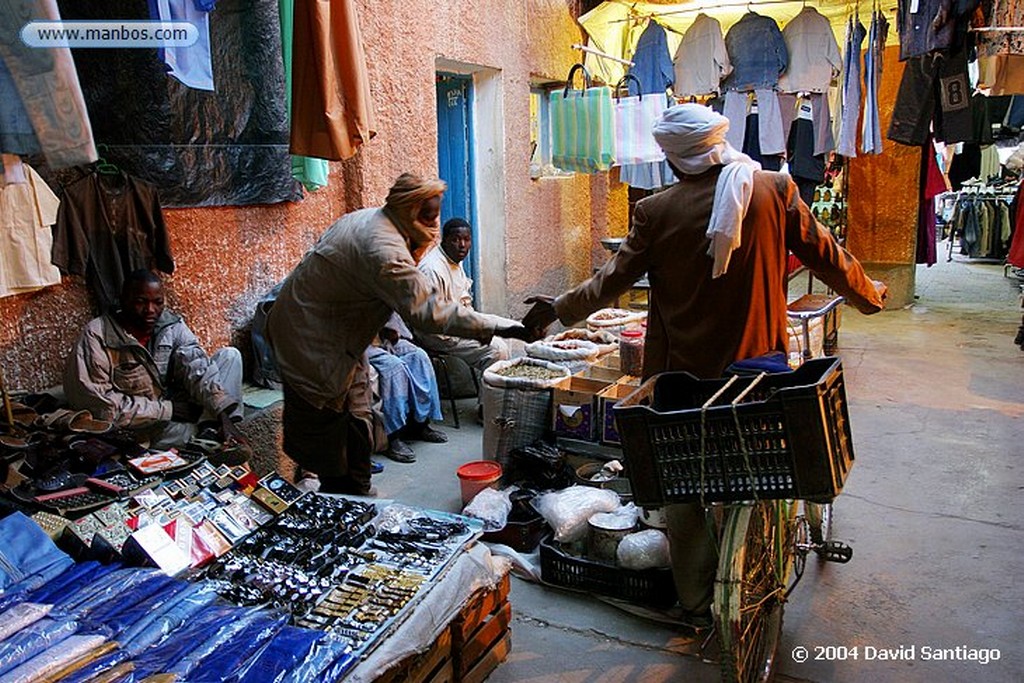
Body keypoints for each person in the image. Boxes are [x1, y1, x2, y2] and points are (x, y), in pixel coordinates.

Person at [522, 104, 886, 621]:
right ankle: (760, 556)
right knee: (758, 460)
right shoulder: (773, 190)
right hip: (757, 368)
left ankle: (695, 598)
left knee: (683, 483)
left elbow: (610, 282)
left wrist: (556, 310)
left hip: (680, 377)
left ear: (674, 160)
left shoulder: (657, 211)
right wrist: (869, 294)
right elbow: (825, 254)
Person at [267, 173, 530, 496]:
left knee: (358, 418)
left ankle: (357, 491)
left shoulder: (378, 222)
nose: (435, 225)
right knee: (329, 433)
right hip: (310, 340)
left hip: (343, 338)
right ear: (408, 210)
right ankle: (340, 499)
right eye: (430, 215)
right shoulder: (383, 248)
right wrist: (498, 326)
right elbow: (429, 311)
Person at [64, 269, 246, 454]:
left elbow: (196, 365)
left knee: (230, 357)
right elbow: (101, 408)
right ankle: (207, 435)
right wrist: (168, 410)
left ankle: (211, 429)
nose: (150, 310)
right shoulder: (97, 336)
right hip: (144, 424)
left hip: (176, 403)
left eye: (157, 302)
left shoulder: (170, 324)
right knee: (168, 434)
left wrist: (223, 414)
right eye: (140, 302)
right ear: (123, 300)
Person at [415, 218, 515, 372]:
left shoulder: (454, 260)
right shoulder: (432, 270)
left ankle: (495, 392)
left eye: (466, 240)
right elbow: (434, 320)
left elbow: (463, 303)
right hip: (438, 334)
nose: (462, 245)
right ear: (445, 241)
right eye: (455, 240)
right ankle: (490, 396)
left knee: (508, 330)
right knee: (496, 350)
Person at [368, 314, 447, 463]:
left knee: (419, 356)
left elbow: (395, 328)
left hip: (384, 340)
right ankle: (393, 436)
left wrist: (391, 332)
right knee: (394, 368)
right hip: (362, 345)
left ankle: (420, 424)